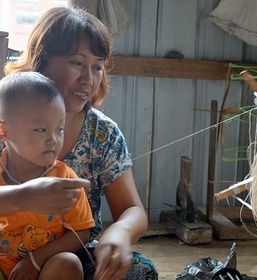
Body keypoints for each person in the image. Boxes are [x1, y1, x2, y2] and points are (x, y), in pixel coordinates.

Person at [4, 6, 158, 280]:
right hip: (5, 256)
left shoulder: (103, 133)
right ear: (42, 61)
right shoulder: (8, 120)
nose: (88, 79)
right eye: (76, 63)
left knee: (139, 271)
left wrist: (120, 232)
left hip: (74, 255)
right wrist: (22, 197)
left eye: (97, 67)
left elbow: (132, 210)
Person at [0, 71, 95, 280]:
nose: (53, 140)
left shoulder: (64, 179)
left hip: (43, 269)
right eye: (41, 129)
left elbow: (81, 232)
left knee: (67, 263)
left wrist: (35, 260)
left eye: (59, 129)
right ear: (3, 131)